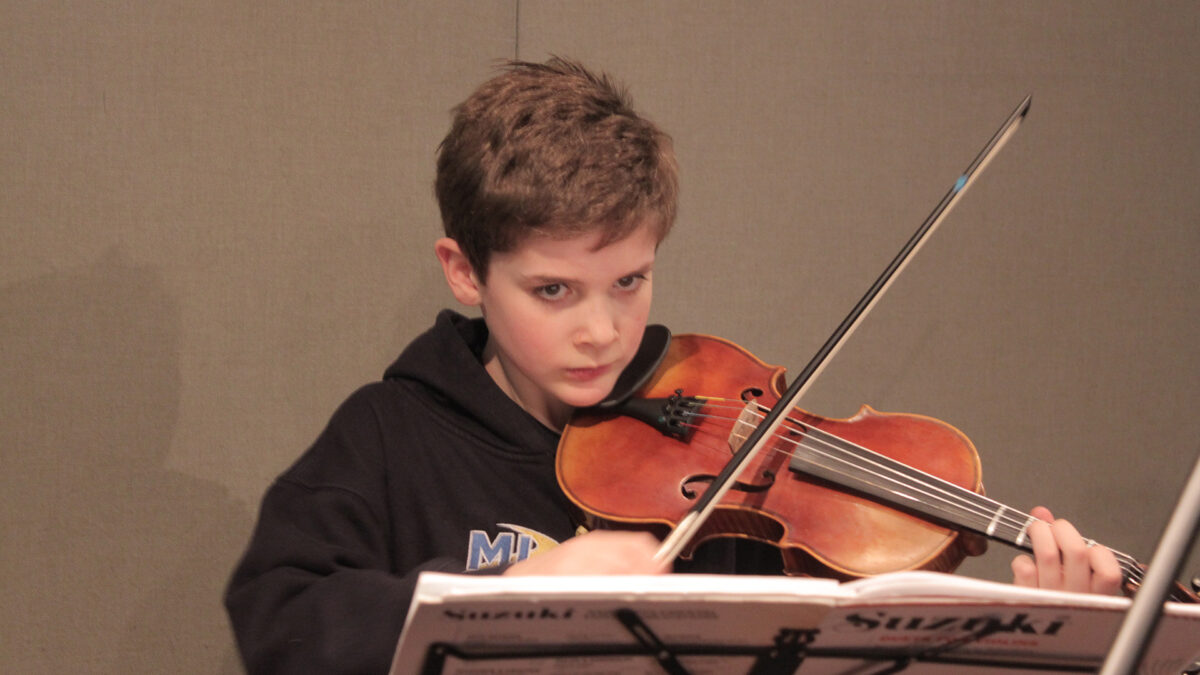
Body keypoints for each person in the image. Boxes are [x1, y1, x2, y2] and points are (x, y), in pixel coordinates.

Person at [224, 57, 1122, 674]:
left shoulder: (726, 434)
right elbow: (280, 614)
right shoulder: (391, 433)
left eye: (630, 280)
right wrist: (504, 591)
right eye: (553, 292)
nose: (603, 331)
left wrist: (1061, 624)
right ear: (465, 271)